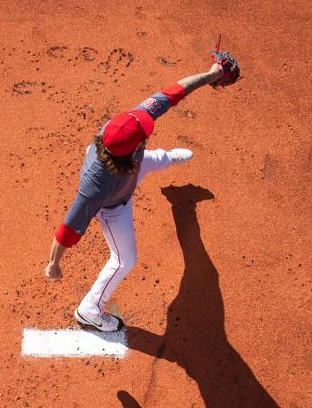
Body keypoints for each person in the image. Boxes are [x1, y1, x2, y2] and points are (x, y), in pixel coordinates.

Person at [44, 60, 235, 331]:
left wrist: (211, 74)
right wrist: (53, 264)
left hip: (129, 167)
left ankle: (167, 158)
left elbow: (175, 92)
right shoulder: (96, 188)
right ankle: (90, 310)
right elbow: (67, 229)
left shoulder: (127, 124)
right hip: (114, 206)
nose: (147, 124)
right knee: (125, 260)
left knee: (151, 159)